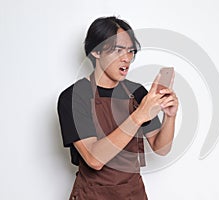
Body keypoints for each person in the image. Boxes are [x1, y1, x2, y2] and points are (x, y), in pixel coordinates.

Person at [57, 16, 178, 200]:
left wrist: (170, 117)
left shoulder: (136, 92)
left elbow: (160, 148)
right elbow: (94, 159)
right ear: (96, 52)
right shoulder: (73, 97)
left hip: (133, 194)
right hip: (93, 195)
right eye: (119, 50)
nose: (127, 58)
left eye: (130, 51)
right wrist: (139, 115)